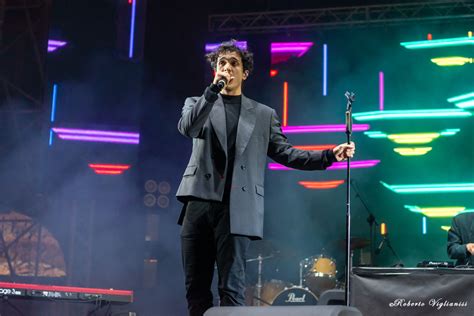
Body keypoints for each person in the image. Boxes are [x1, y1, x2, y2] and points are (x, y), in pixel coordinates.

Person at [176, 39, 355, 316]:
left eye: (233, 63)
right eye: (221, 63)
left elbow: (287, 153)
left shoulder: (262, 114)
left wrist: (329, 155)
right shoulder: (198, 103)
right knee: (196, 288)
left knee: (231, 288)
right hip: (198, 203)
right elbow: (188, 128)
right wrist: (212, 92)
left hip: (236, 208)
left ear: (245, 73)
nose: (226, 68)